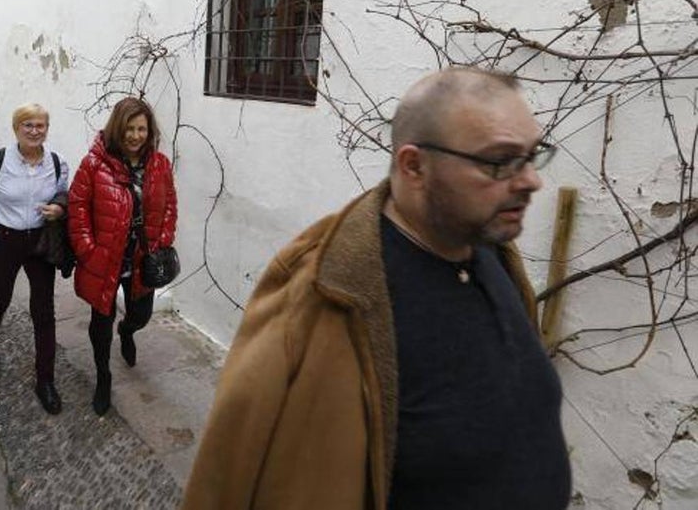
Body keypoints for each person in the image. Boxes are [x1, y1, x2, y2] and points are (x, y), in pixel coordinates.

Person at [183, 68, 570, 510]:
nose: (531, 180)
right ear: (414, 166)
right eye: (500, 161)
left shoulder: (495, 256)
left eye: (532, 155)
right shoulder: (325, 296)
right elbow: (229, 474)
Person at [67, 97, 177, 416]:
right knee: (101, 322)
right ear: (118, 128)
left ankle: (127, 331)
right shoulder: (94, 164)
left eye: (142, 129)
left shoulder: (160, 164)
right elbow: (77, 207)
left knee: (141, 314)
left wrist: (162, 240)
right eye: (129, 128)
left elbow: (170, 204)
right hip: (104, 260)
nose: (135, 136)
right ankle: (103, 376)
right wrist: (87, 249)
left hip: (143, 259)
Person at [0, 103, 69, 414]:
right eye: (28, 125)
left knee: (44, 310)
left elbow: (63, 195)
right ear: (16, 128)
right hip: (3, 238)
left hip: (40, 241)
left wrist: (59, 209)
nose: (34, 131)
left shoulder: (57, 162)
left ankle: (45, 380)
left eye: (40, 125)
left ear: (47, 129)